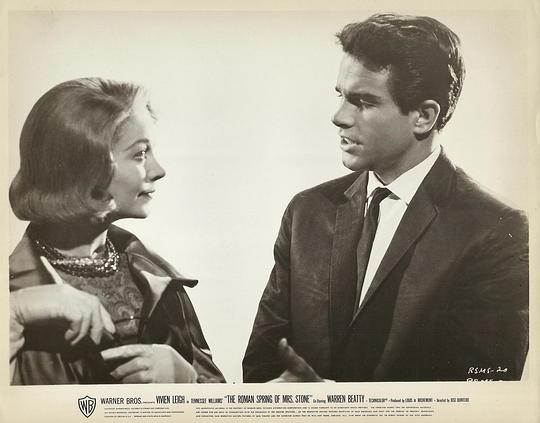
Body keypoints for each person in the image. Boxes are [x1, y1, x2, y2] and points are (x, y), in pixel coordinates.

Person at [243, 13, 528, 382]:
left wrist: (336, 404)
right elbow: (261, 367)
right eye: (341, 95)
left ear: (424, 116)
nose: (339, 117)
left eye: (363, 101)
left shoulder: (495, 229)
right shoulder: (306, 212)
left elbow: (482, 390)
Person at [9, 78, 224, 384]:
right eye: (140, 154)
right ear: (85, 168)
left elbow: (219, 398)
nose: (158, 170)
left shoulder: (158, 278)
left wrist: (187, 380)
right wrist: (14, 311)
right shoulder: (13, 295)